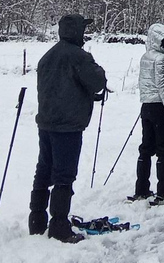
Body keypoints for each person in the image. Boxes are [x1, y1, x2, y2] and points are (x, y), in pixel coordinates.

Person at [28, 14, 107, 243]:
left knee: (43, 170)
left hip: (46, 123)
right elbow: (97, 82)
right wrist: (97, 69)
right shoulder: (79, 57)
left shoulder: (47, 56)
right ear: (77, 32)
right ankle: (59, 225)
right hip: (68, 126)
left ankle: (37, 220)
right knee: (64, 175)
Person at [131, 23, 164, 205]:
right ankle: (163, 191)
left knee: (146, 147)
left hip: (146, 106)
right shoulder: (160, 59)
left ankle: (141, 188)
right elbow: (163, 86)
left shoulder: (145, 57)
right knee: (163, 149)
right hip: (159, 107)